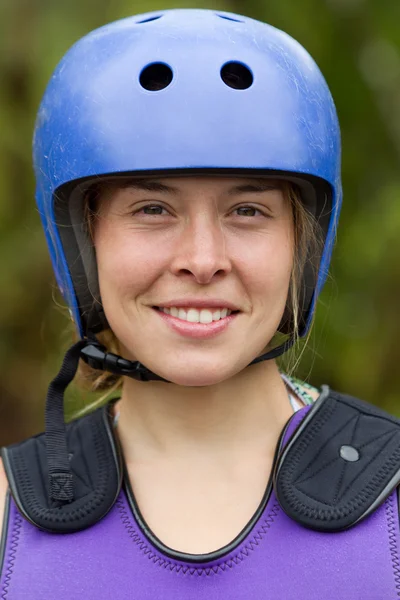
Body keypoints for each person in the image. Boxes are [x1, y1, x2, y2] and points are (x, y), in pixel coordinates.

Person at [0, 8, 399, 599]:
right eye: (153, 210)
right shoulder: (7, 516)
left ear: (303, 245)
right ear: (82, 243)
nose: (203, 259)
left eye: (247, 211)